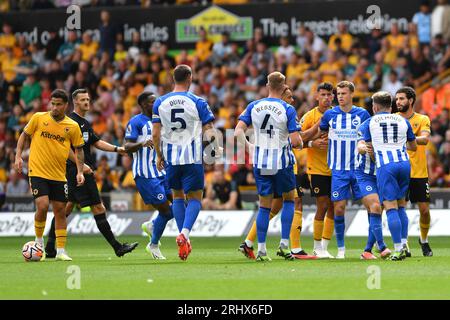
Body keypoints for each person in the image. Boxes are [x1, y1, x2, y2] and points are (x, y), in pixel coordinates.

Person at [45, 89, 138, 258]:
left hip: (76, 171)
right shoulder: (70, 122)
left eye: (88, 99)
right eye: (83, 100)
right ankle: (117, 247)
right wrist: (82, 166)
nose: (87, 102)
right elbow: (64, 149)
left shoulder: (84, 123)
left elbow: (97, 142)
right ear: (75, 102)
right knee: (97, 207)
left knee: (65, 209)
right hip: (77, 171)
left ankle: (50, 247)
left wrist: (118, 149)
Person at [238, 86, 315, 260]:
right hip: (283, 162)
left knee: (267, 206)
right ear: (281, 93)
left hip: (262, 162)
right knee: (291, 201)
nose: (292, 100)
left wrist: (250, 148)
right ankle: (287, 246)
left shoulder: (255, 106)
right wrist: (309, 140)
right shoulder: (287, 110)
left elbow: (237, 131)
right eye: (289, 96)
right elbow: (297, 140)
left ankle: (257, 247)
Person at [152, 65, 220, 261]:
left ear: (174, 79)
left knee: (177, 196)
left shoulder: (160, 102)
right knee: (196, 198)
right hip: (192, 157)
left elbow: (156, 133)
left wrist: (159, 155)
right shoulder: (197, 101)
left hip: (171, 158)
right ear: (189, 78)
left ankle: (184, 239)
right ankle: (185, 234)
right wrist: (214, 148)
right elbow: (209, 128)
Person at [14, 89, 85, 261]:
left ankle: (61, 251)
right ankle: (38, 243)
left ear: (66, 105)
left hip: (59, 175)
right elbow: (24, 136)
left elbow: (78, 149)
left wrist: (80, 171)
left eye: (58, 104)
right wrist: (17, 157)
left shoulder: (72, 126)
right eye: (52, 103)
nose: (54, 107)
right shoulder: (38, 118)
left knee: (60, 211)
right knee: (43, 205)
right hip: (37, 171)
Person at [358, 91, 417, 260]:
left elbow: (369, 149)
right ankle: (404, 243)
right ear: (390, 107)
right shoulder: (403, 121)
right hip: (405, 164)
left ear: (374, 107)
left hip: (386, 166)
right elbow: (413, 146)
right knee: (401, 205)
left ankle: (398, 249)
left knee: (390, 207)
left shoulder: (369, 122)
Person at [319, 81, 371, 259]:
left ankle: (371, 247)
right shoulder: (330, 115)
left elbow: (368, 137)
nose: (340, 96)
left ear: (352, 94)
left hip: (359, 169)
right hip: (339, 170)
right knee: (339, 209)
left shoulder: (362, 114)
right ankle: (341, 249)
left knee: (372, 206)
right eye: (338, 93)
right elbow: (321, 132)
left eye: (343, 93)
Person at [124, 91, 174, 260]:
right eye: (152, 102)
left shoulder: (161, 121)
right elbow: (127, 146)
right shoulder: (136, 122)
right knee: (166, 212)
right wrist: (142, 143)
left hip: (163, 171)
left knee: (180, 204)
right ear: (143, 105)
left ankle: (152, 225)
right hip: (146, 174)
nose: (156, 104)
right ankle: (153, 245)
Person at [299, 82, 335, 258]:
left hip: (337, 167)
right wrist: (313, 143)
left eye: (329, 95)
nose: (326, 98)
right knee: (323, 204)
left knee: (335, 206)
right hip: (317, 168)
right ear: (317, 97)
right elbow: (297, 141)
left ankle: (326, 247)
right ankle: (317, 246)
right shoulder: (309, 117)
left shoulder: (340, 115)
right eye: (323, 95)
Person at [397, 86, 433, 257]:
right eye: (397, 99)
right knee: (400, 209)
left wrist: (404, 139)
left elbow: (425, 139)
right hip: (399, 171)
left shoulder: (422, 119)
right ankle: (405, 245)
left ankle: (423, 240)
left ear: (410, 100)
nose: (398, 102)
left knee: (424, 211)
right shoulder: (392, 119)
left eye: (402, 98)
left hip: (419, 172)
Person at [356, 93, 393, 260]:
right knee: (376, 207)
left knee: (377, 211)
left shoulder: (394, 125)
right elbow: (361, 144)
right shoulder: (367, 125)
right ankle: (383, 247)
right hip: (365, 175)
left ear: (374, 107)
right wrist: (362, 147)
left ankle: (367, 251)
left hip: (383, 174)